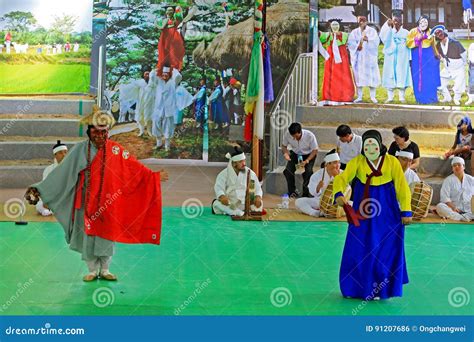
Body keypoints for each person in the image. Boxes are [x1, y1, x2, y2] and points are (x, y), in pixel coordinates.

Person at [24, 107, 169, 282]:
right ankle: (92, 269)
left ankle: (106, 268)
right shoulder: (79, 150)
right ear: (89, 131)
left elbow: (132, 167)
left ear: (107, 131)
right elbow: (62, 172)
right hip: (85, 200)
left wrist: (152, 176)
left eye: (103, 131)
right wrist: (41, 190)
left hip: (108, 201)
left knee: (106, 233)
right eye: (95, 130)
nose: (99, 135)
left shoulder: (115, 150)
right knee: (88, 234)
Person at [334, 130, 412, 300]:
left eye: (373, 143)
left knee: (385, 249)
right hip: (364, 212)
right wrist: (338, 193)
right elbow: (342, 178)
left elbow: (402, 187)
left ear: (379, 144)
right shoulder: (358, 162)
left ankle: (380, 289)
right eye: (367, 144)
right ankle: (354, 288)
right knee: (358, 247)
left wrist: (406, 210)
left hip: (387, 213)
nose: (370, 147)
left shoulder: (392, 162)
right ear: (363, 146)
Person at [212, 147, 263, 216]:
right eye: (240, 162)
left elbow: (256, 188)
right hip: (230, 203)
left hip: (245, 203)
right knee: (217, 203)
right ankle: (238, 213)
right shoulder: (224, 174)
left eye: (244, 161)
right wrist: (222, 196)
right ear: (233, 163)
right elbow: (219, 188)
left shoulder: (249, 173)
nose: (244, 164)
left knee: (259, 204)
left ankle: (240, 212)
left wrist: (258, 197)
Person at [295, 150, 346, 217]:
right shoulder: (317, 175)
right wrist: (318, 188)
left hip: (337, 201)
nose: (338, 165)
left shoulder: (343, 174)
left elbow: (347, 190)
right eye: (335, 163)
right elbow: (312, 192)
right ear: (327, 164)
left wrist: (337, 177)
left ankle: (327, 212)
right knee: (299, 201)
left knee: (352, 204)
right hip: (320, 201)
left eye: (339, 163)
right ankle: (315, 212)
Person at [318, 19, 355, 105]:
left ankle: (344, 95)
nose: (335, 27)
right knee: (332, 74)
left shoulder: (345, 35)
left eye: (336, 25)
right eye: (333, 25)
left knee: (343, 74)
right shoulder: (329, 35)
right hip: (331, 57)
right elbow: (319, 35)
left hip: (342, 58)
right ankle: (331, 95)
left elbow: (352, 41)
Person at [406, 15, 440, 104]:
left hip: (428, 57)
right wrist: (417, 39)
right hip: (417, 56)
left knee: (430, 77)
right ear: (418, 22)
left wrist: (437, 55)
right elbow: (408, 43)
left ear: (428, 23)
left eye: (425, 22)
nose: (423, 24)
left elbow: (434, 45)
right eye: (421, 22)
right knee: (418, 76)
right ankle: (420, 98)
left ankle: (431, 98)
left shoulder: (431, 31)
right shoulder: (413, 31)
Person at [348, 16, 381, 103]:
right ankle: (359, 96)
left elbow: (376, 41)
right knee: (359, 76)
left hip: (370, 58)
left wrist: (368, 39)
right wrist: (357, 46)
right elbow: (350, 43)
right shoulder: (354, 32)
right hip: (360, 58)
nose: (362, 22)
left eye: (363, 21)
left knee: (372, 76)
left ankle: (373, 97)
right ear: (358, 22)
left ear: (366, 21)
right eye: (360, 21)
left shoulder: (372, 31)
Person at [282, 122, 319, 197]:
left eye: (296, 136)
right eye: (293, 137)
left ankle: (305, 194)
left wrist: (307, 161)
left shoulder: (310, 136)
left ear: (300, 132)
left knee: (308, 172)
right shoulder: (287, 134)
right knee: (288, 171)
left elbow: (315, 150)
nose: (295, 138)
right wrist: (285, 153)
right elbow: (284, 146)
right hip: (296, 154)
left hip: (308, 155)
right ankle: (292, 191)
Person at [379, 16, 411, 103]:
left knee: (401, 73)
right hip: (391, 56)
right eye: (394, 21)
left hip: (402, 56)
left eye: (397, 21)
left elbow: (410, 43)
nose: (395, 23)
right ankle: (390, 97)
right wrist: (386, 25)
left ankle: (401, 97)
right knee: (390, 73)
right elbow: (382, 37)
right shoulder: (389, 31)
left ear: (401, 23)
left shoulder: (406, 32)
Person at [433, 25, 467, 105]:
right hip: (448, 68)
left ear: (444, 32)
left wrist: (464, 63)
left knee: (459, 85)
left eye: (440, 32)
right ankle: (447, 98)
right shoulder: (438, 45)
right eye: (437, 34)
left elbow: (463, 53)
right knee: (439, 82)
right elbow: (438, 55)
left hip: (458, 67)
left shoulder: (455, 42)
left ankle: (456, 99)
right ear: (436, 36)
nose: (439, 34)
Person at [151, 66, 182, 151]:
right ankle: (159, 144)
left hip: (168, 109)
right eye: (163, 74)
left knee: (168, 126)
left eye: (166, 75)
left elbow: (179, 77)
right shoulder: (158, 81)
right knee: (156, 124)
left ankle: (167, 146)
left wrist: (174, 69)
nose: (164, 76)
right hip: (158, 108)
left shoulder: (173, 83)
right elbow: (152, 76)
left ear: (169, 75)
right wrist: (157, 67)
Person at [36, 141, 68, 216]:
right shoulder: (48, 170)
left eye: (65, 152)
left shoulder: (72, 168)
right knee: (40, 205)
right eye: (60, 153)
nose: (64, 155)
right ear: (55, 155)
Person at [436, 157, 473, 222]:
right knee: (440, 206)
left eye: (459, 165)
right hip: (455, 210)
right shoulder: (448, 180)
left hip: (470, 209)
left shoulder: (471, 180)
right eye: (454, 165)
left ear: (463, 166)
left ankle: (467, 216)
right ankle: (461, 218)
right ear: (452, 168)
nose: (456, 167)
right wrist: (453, 207)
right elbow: (445, 198)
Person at [156, 6, 185, 76]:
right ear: (166, 12)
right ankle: (162, 70)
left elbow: (179, 15)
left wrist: (178, 8)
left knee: (174, 53)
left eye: (171, 10)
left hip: (173, 36)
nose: (169, 12)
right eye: (168, 10)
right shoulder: (163, 20)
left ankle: (175, 68)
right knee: (163, 52)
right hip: (164, 37)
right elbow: (159, 26)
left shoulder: (175, 20)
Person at [135, 71, 154, 137]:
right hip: (141, 102)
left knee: (149, 117)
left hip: (149, 103)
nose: (147, 75)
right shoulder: (140, 82)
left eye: (148, 74)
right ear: (143, 75)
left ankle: (149, 131)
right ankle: (141, 131)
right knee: (140, 117)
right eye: (146, 74)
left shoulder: (152, 83)